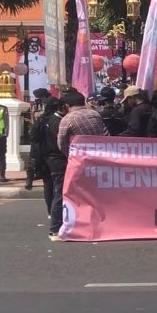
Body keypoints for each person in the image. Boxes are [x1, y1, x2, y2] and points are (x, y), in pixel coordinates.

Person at [51, 90, 108, 241]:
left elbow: (61, 144)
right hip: (98, 160)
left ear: (67, 105)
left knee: (68, 194)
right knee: (95, 195)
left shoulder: (67, 120)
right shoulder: (95, 115)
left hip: (78, 162)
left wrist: (72, 156)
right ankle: (95, 225)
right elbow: (106, 135)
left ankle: (57, 229)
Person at [30, 96, 63, 213]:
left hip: (42, 155)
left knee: (48, 184)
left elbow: (33, 137)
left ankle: (50, 209)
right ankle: (55, 211)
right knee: (57, 186)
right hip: (53, 155)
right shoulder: (56, 121)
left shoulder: (41, 120)